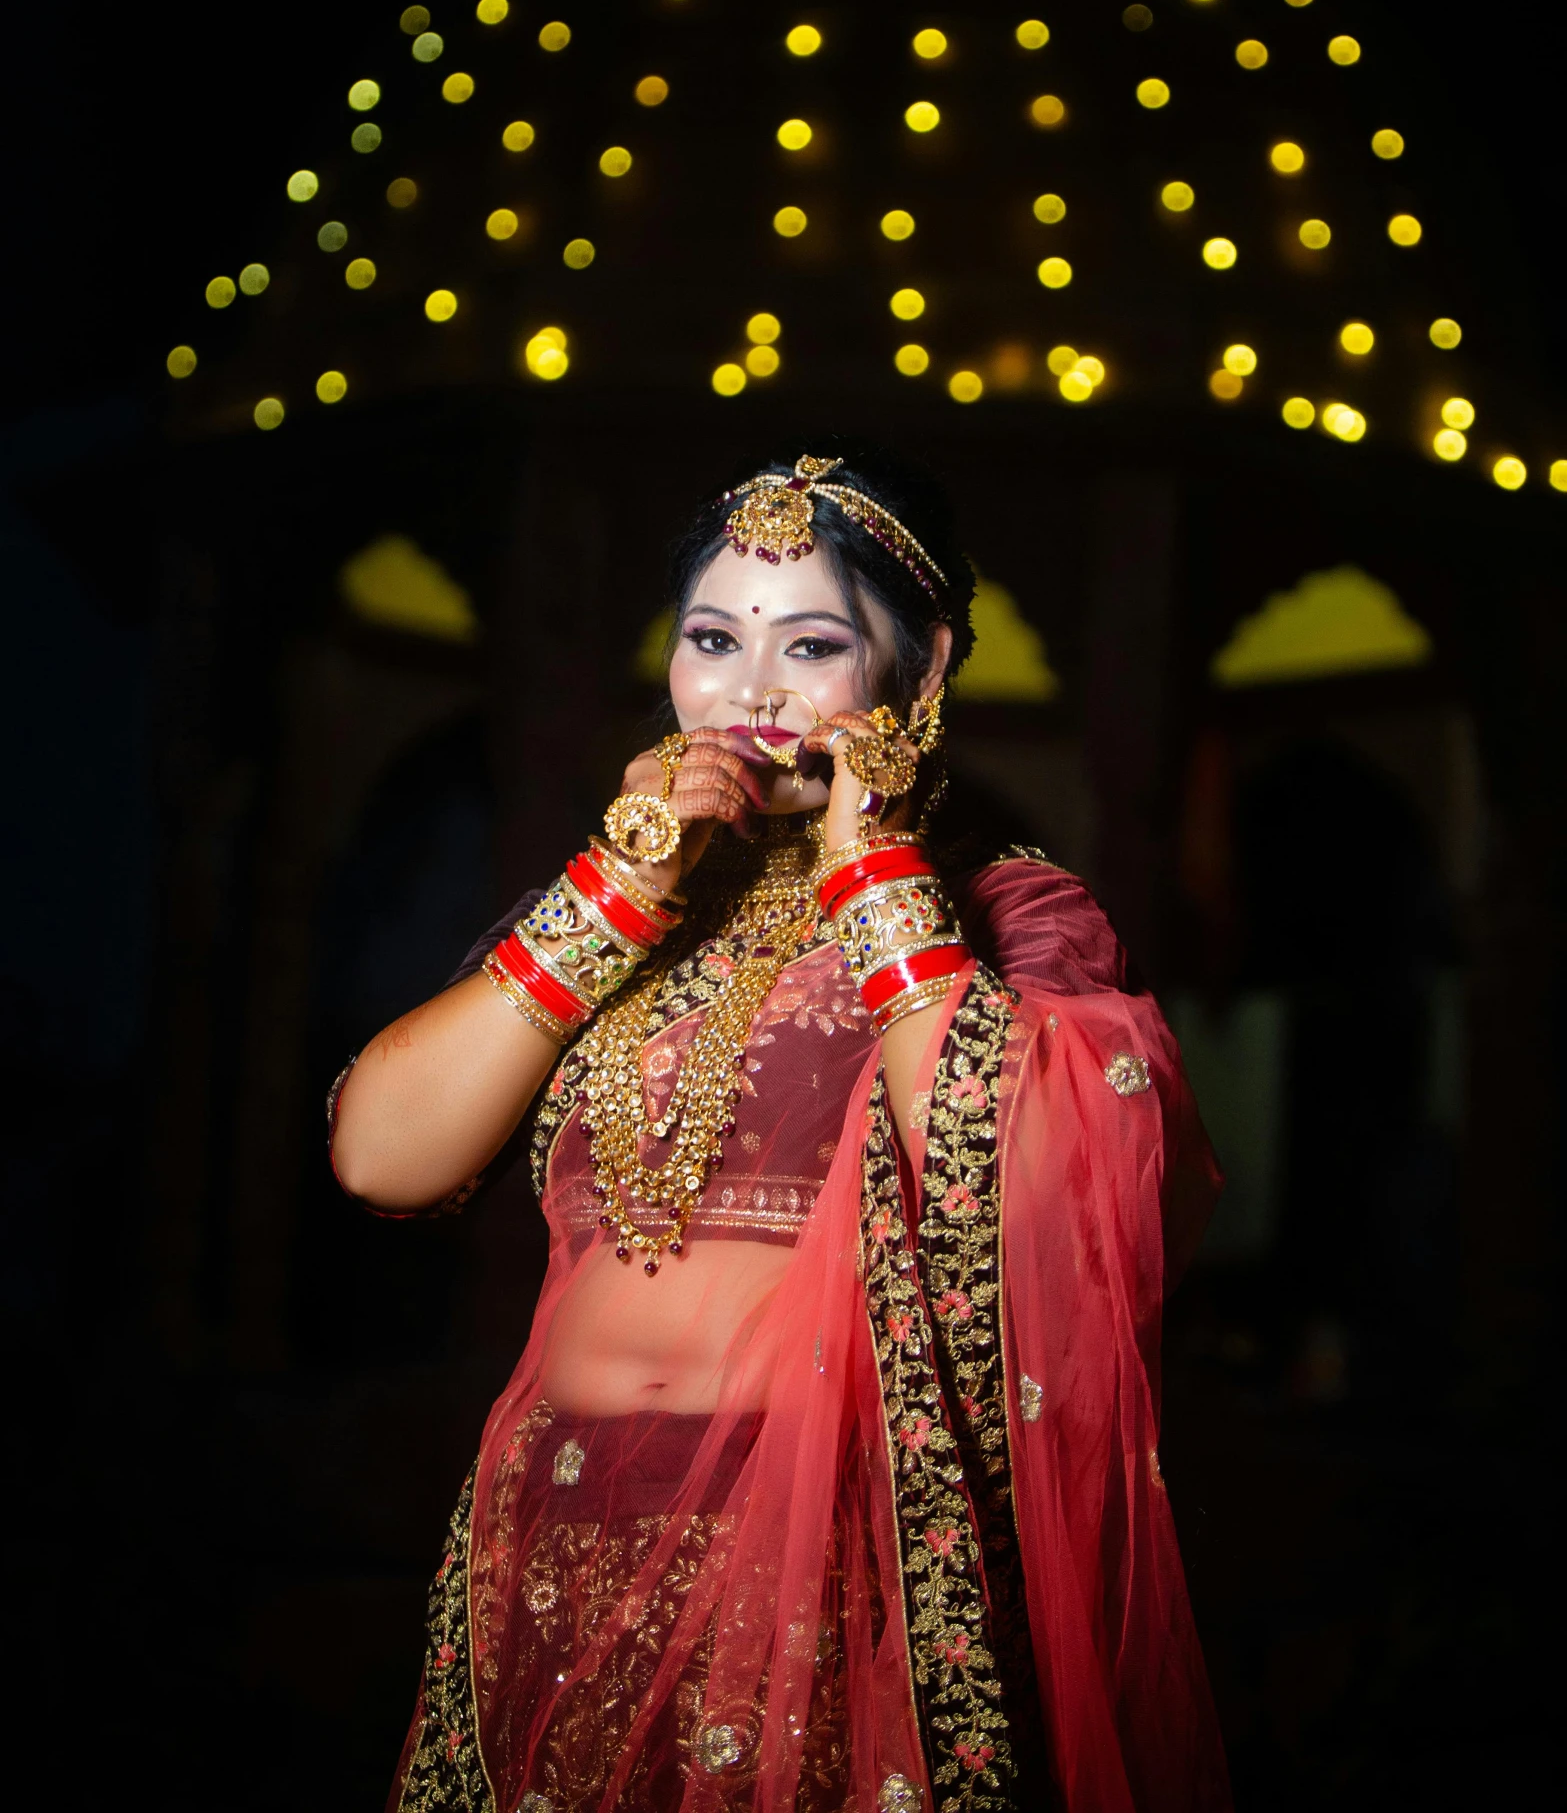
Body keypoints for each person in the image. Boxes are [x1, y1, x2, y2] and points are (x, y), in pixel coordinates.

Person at [330, 447, 1230, 1813]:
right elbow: (380, 1153)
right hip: (553, 1541)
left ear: (919, 670)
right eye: (709, 639)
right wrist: (619, 881)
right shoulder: (616, 912)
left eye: (809, 643)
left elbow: (1031, 1187)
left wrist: (870, 868)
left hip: (823, 1560)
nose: (745, 692)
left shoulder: (1006, 920)